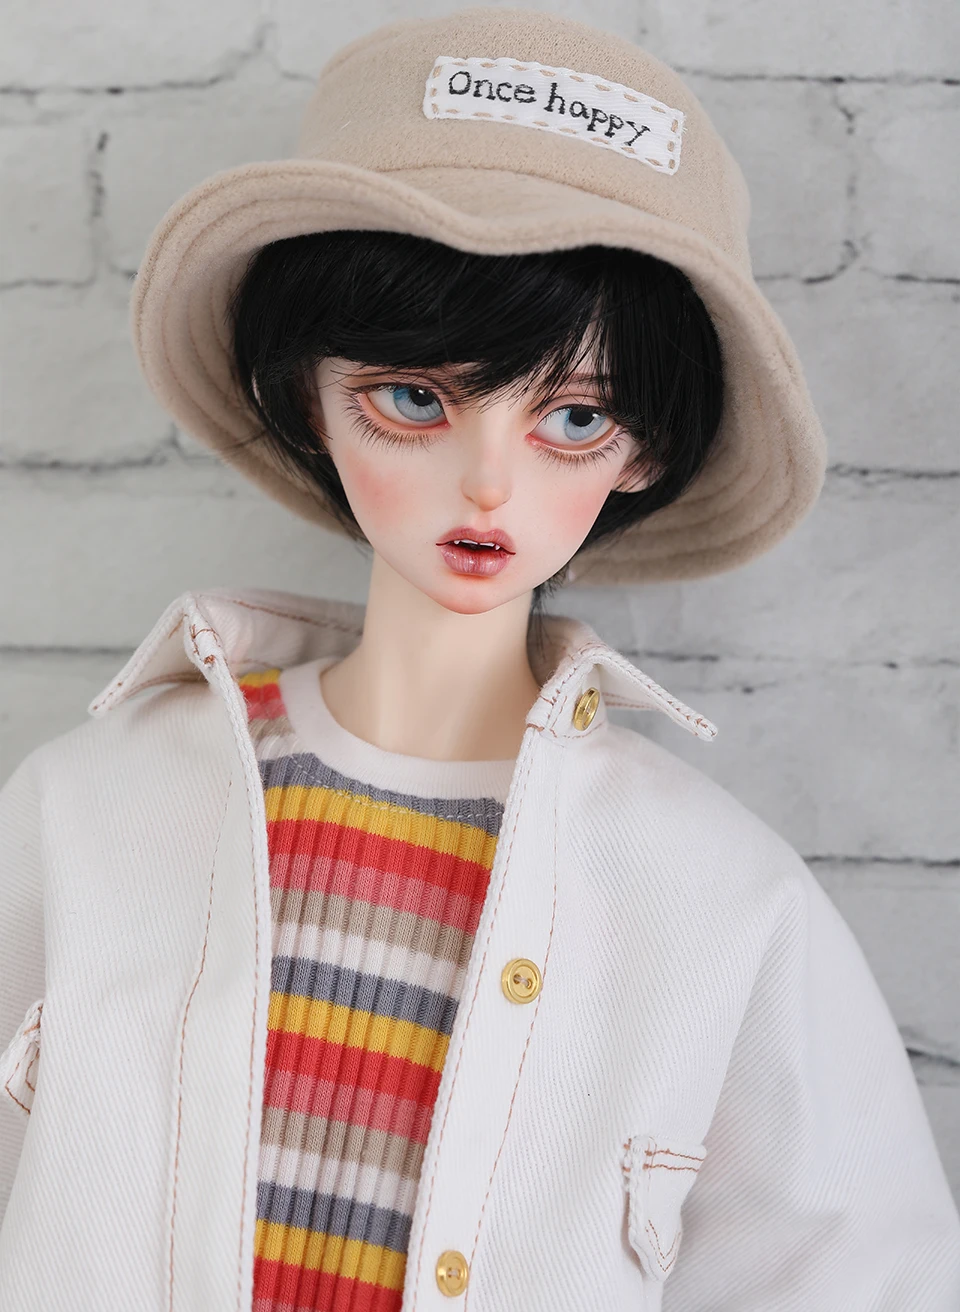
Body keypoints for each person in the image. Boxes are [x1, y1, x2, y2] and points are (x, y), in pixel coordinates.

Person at [1, 7, 957, 1311]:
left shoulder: (718, 901)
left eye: (575, 418)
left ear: (647, 449)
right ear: (306, 397)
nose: (489, 482)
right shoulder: (89, 812)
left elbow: (859, 1276)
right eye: (414, 399)